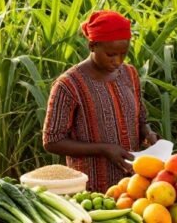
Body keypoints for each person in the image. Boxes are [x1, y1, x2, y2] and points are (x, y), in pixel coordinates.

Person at [43, 10, 158, 192]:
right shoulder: (69, 85)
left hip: (134, 186)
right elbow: (52, 141)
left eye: (123, 54)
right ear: (92, 46)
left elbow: (140, 118)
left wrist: (149, 134)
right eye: (111, 54)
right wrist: (104, 149)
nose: (118, 61)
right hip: (91, 189)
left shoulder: (129, 74)